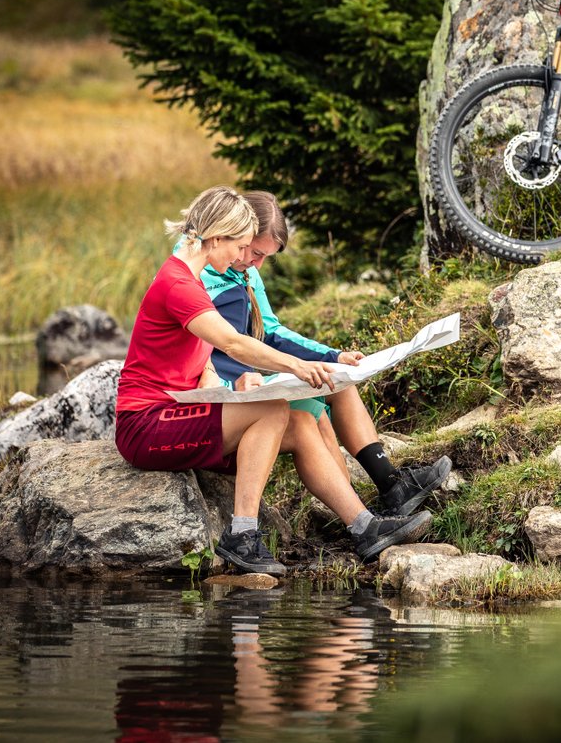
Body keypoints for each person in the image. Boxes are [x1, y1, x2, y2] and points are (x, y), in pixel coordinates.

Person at [114, 186, 430, 576]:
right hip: (146, 424)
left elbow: (200, 358)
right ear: (217, 237)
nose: (243, 258)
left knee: (297, 422)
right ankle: (242, 534)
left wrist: (224, 389)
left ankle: (364, 527)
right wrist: (296, 366)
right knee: (271, 410)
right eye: (241, 246)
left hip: (176, 411)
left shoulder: (190, 281)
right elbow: (232, 342)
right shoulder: (178, 284)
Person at [199, 190, 450, 517]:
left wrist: (333, 356)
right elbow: (200, 352)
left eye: (265, 258)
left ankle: (391, 486)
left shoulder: (246, 271)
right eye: (254, 252)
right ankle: (355, 518)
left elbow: (272, 332)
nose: (257, 264)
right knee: (311, 408)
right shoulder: (198, 273)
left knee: (339, 382)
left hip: (257, 372)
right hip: (233, 386)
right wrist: (231, 388)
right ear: (236, 234)